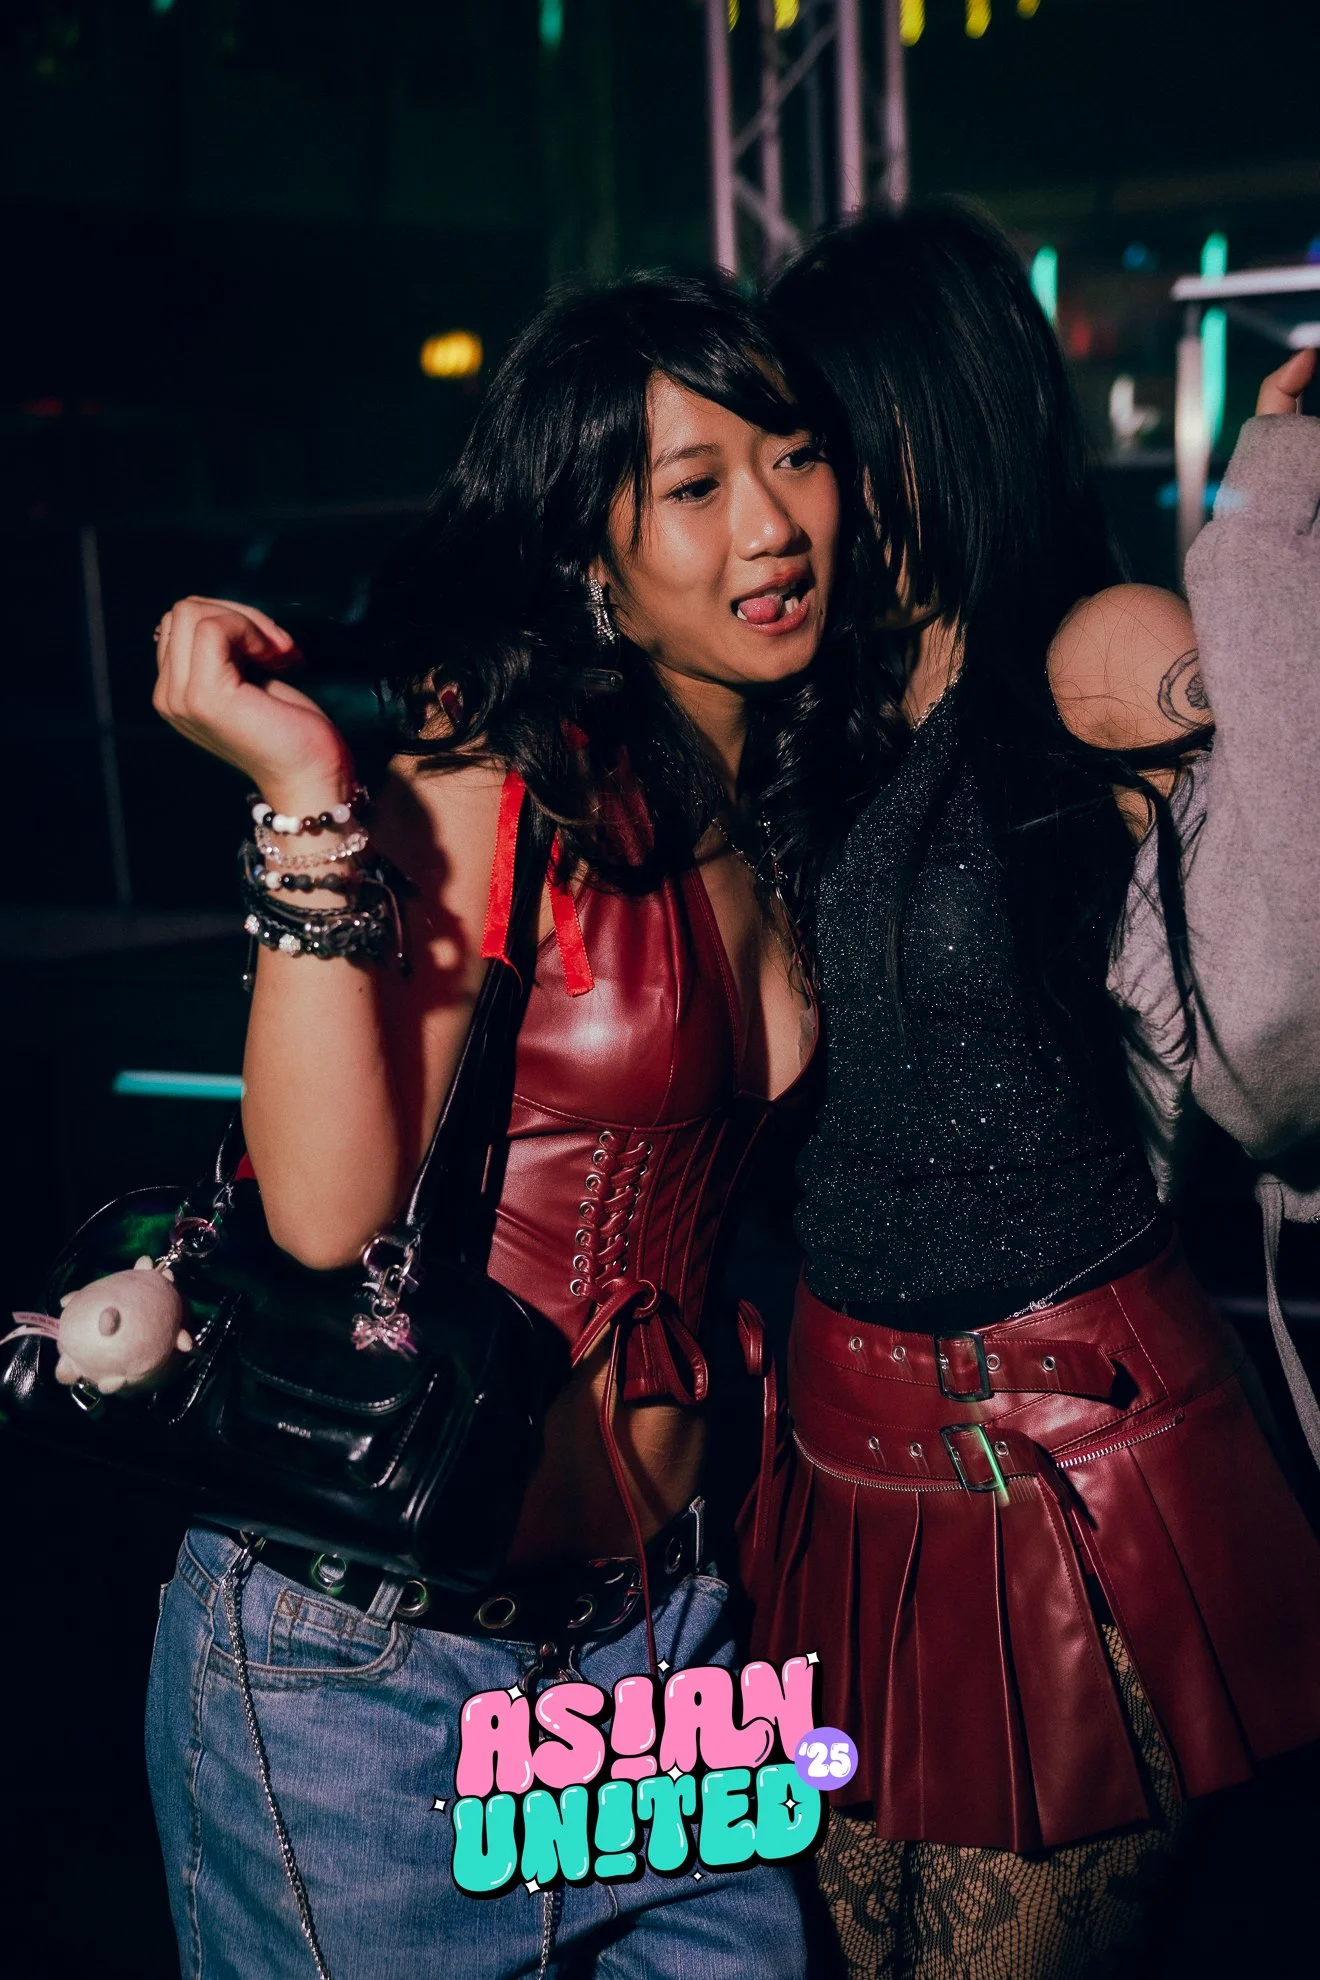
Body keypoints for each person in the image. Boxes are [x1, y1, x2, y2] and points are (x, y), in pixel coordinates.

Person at [144, 272, 839, 1980]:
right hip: (374, 1680)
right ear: (590, 554)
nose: (772, 525)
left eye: (796, 457)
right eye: (696, 485)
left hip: (658, 1662)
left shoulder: (777, 807)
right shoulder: (483, 803)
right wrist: (304, 794)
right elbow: (324, 1219)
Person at [740, 202, 1320, 1980]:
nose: (796, 500)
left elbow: (1289, 980)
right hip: (839, 1461)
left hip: (1062, 1466)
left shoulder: (1095, 651)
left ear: (939, 417)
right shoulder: (827, 702)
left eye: (818, 444)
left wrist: (1270, 528)